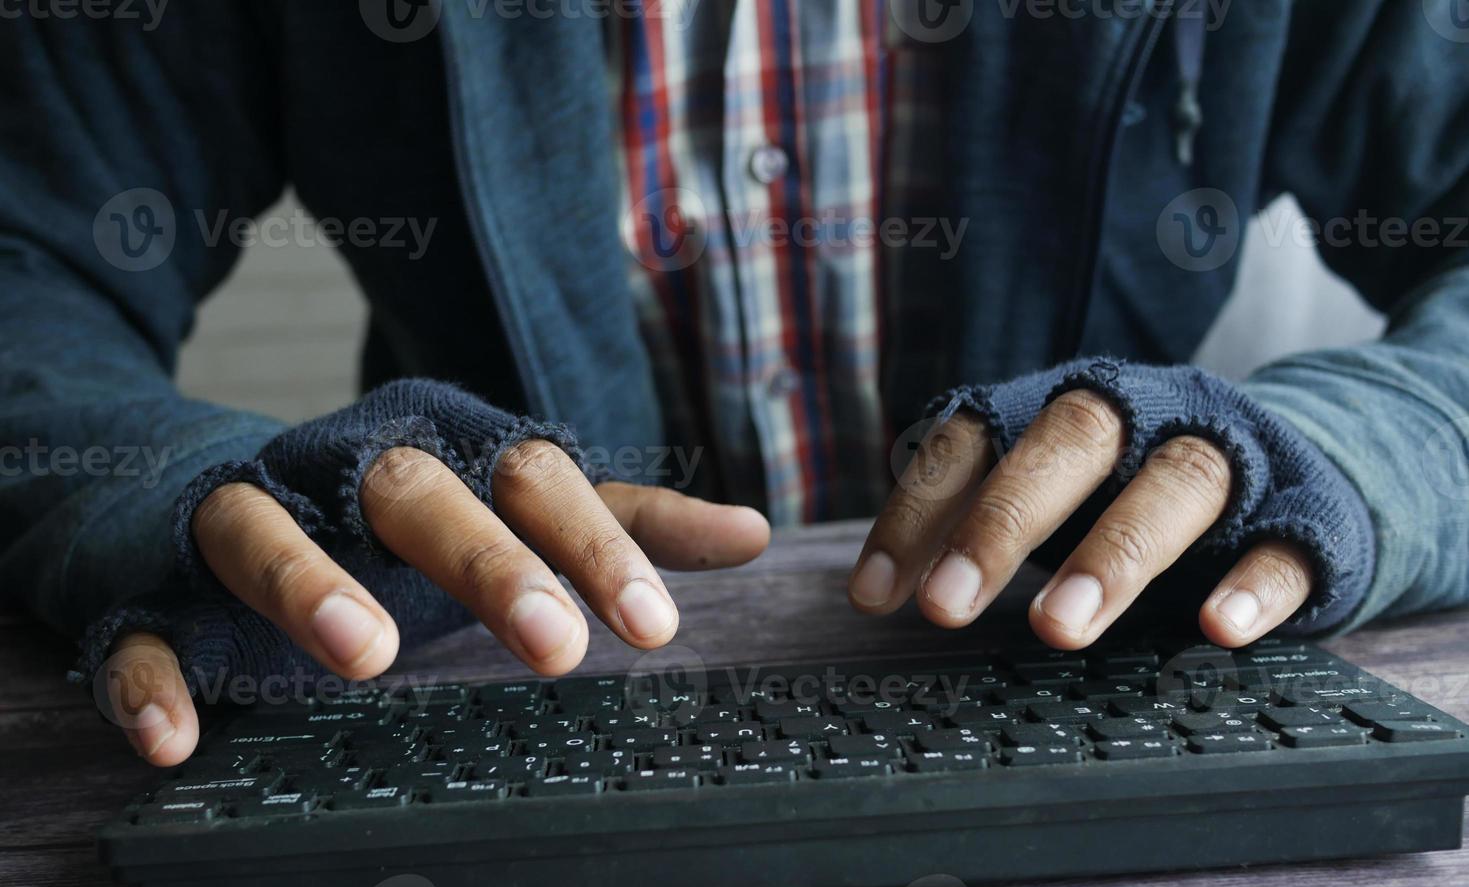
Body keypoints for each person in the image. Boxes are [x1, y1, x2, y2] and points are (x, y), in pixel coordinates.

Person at [1, 1, 1466, 767]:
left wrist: (1343, 455)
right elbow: (34, 258)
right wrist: (162, 495)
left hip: (1118, 710)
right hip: (478, 715)